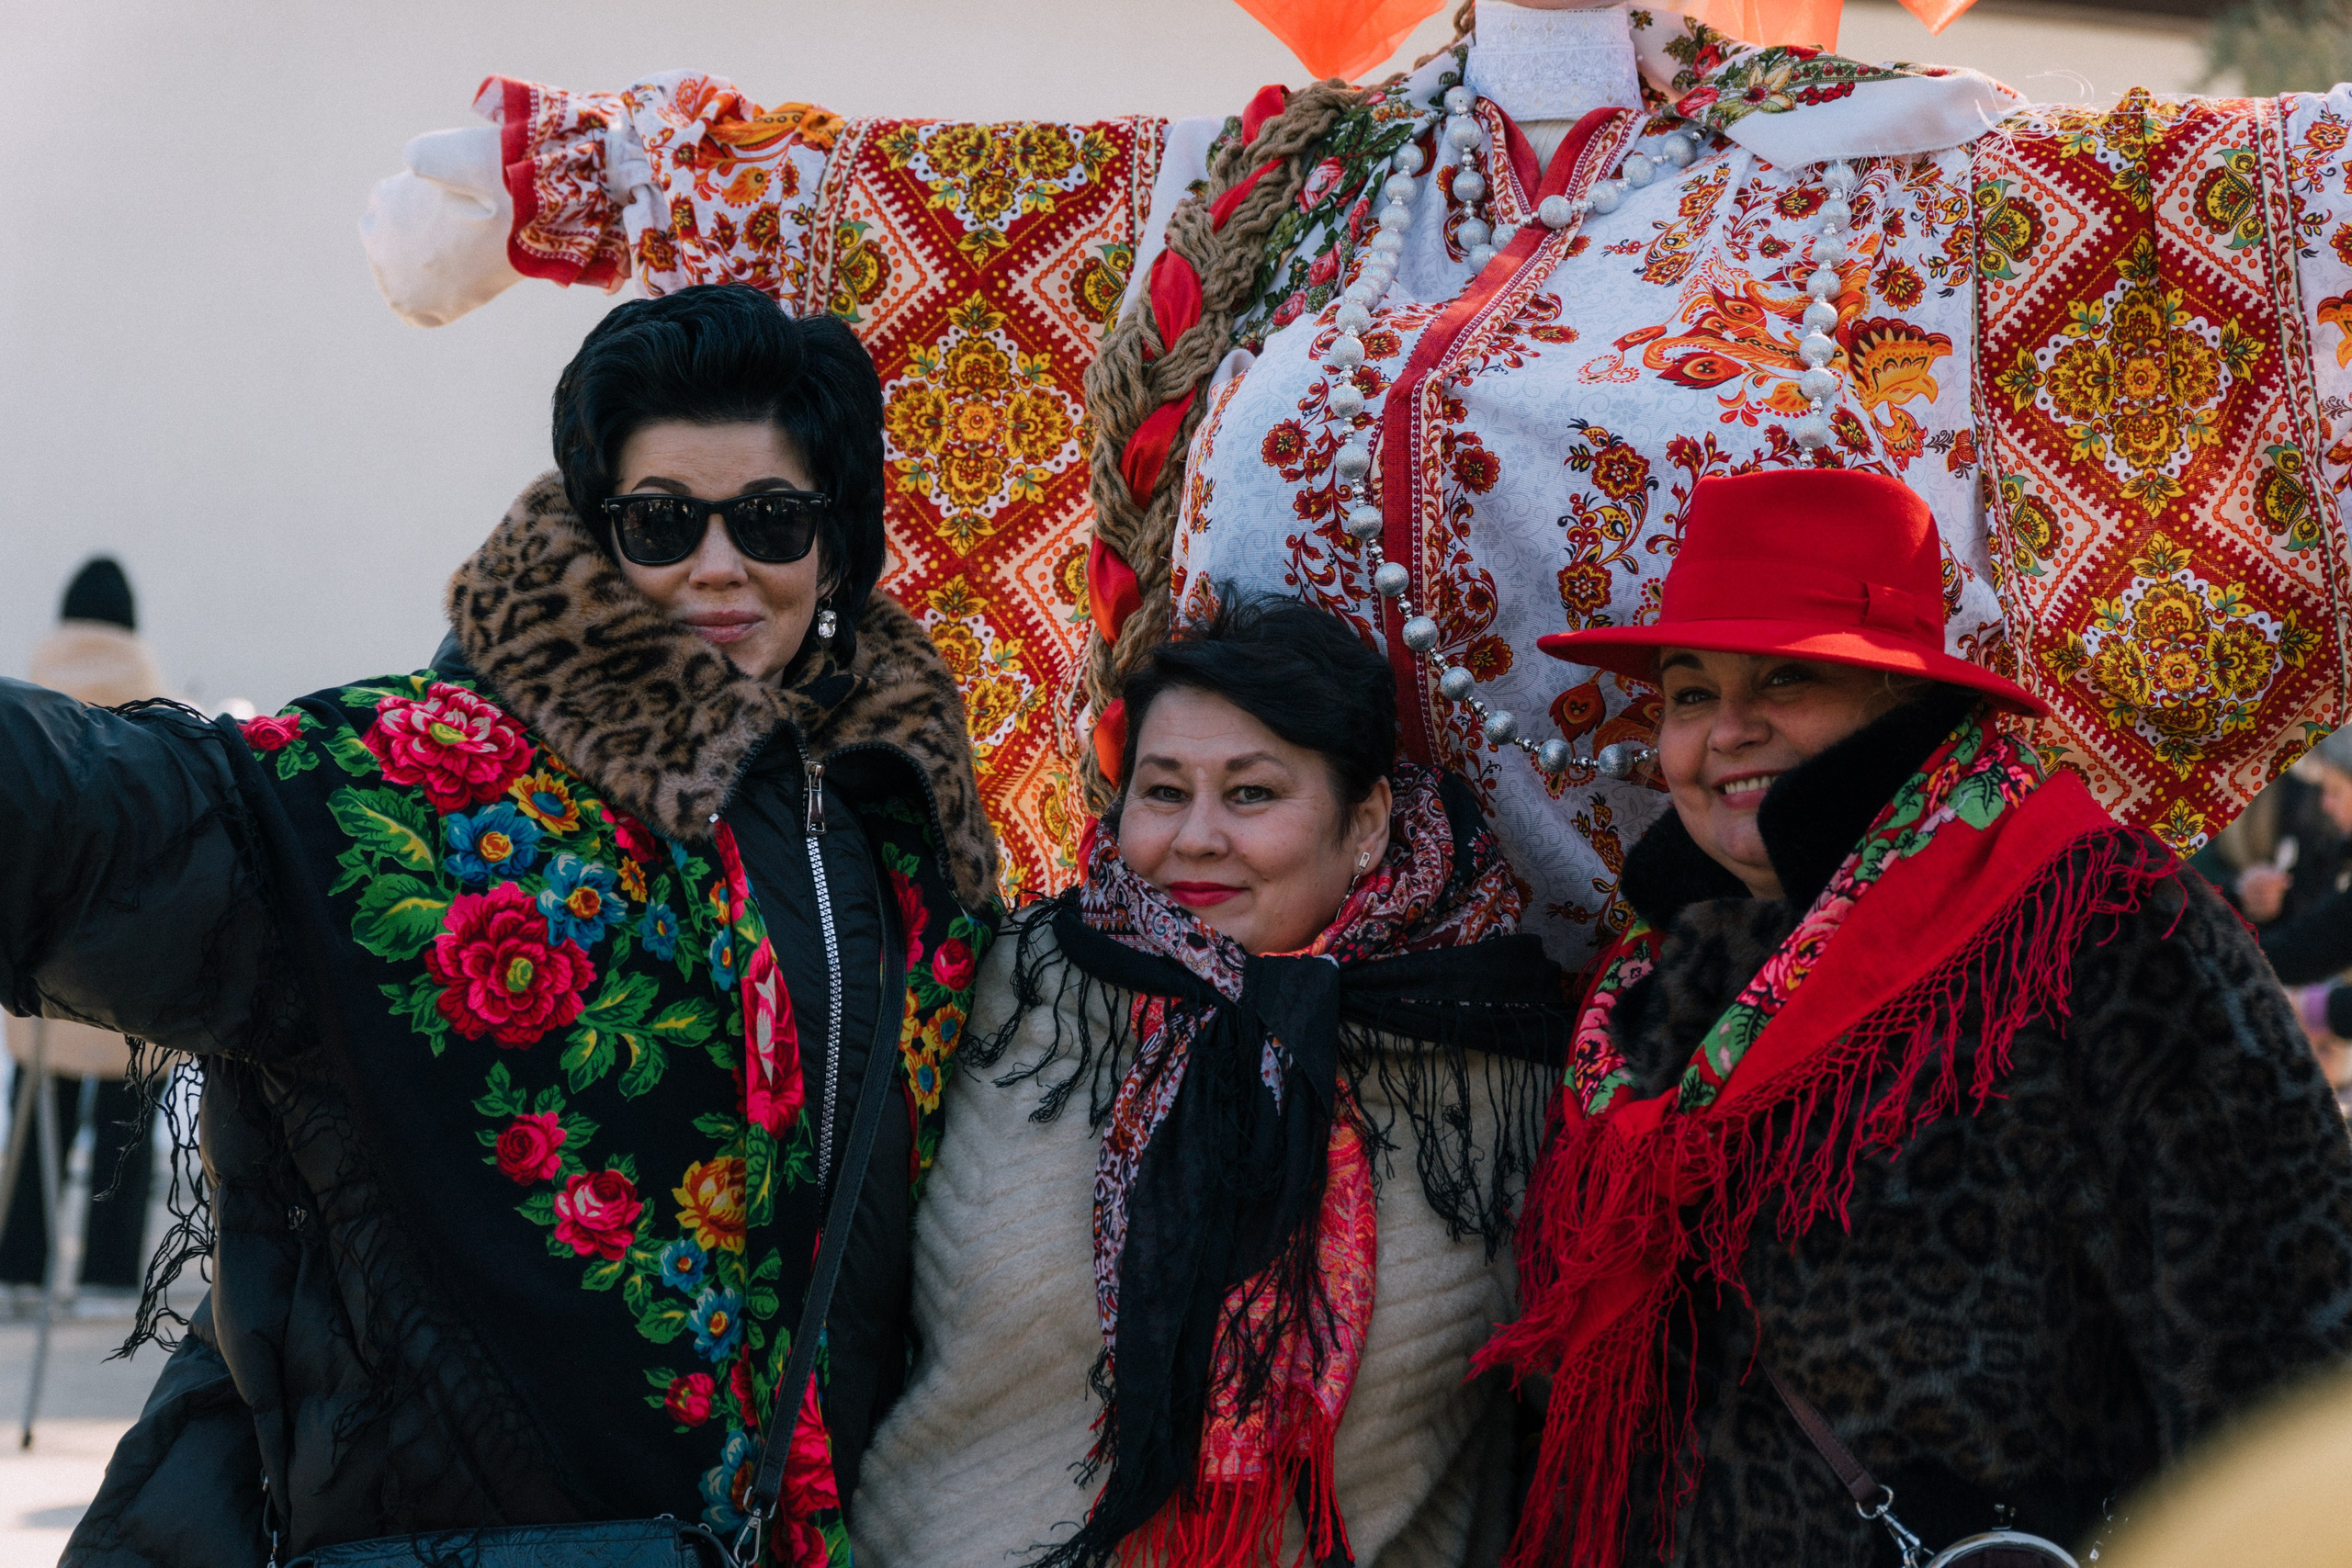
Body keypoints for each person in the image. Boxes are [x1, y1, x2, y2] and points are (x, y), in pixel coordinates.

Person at [364, 0, 2352, 972]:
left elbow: (2230, 222)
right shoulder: (1292, 186)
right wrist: (594, 178)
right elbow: (976, 215)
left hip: (1722, 1032)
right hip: (1249, 1019)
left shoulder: (1885, 168)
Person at [4, 282, 997, 1564]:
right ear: (599, 534)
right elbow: (124, 818)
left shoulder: (908, 827)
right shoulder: (435, 782)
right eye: (658, 520)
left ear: (836, 541)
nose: (714, 565)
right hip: (468, 1514)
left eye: (768, 519)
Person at [1477, 469, 2352, 1568]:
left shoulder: (2097, 926)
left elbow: (2278, 1345)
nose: (1725, 735)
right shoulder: (1641, 989)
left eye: (1786, 680)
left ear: (1903, 703)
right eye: (1689, 693)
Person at [846, 594, 1571, 1567]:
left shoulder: (1492, 1066)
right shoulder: (1004, 998)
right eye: (1161, 790)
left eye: (1251, 794)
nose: (1193, 838)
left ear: (1364, 824)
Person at [2, 558, 171, 1298]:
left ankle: (19, 1268)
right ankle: (107, 1275)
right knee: (125, 1129)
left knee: (36, 1117)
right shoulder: (161, 724)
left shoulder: (26, 715)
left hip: (42, 966)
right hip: (133, 974)